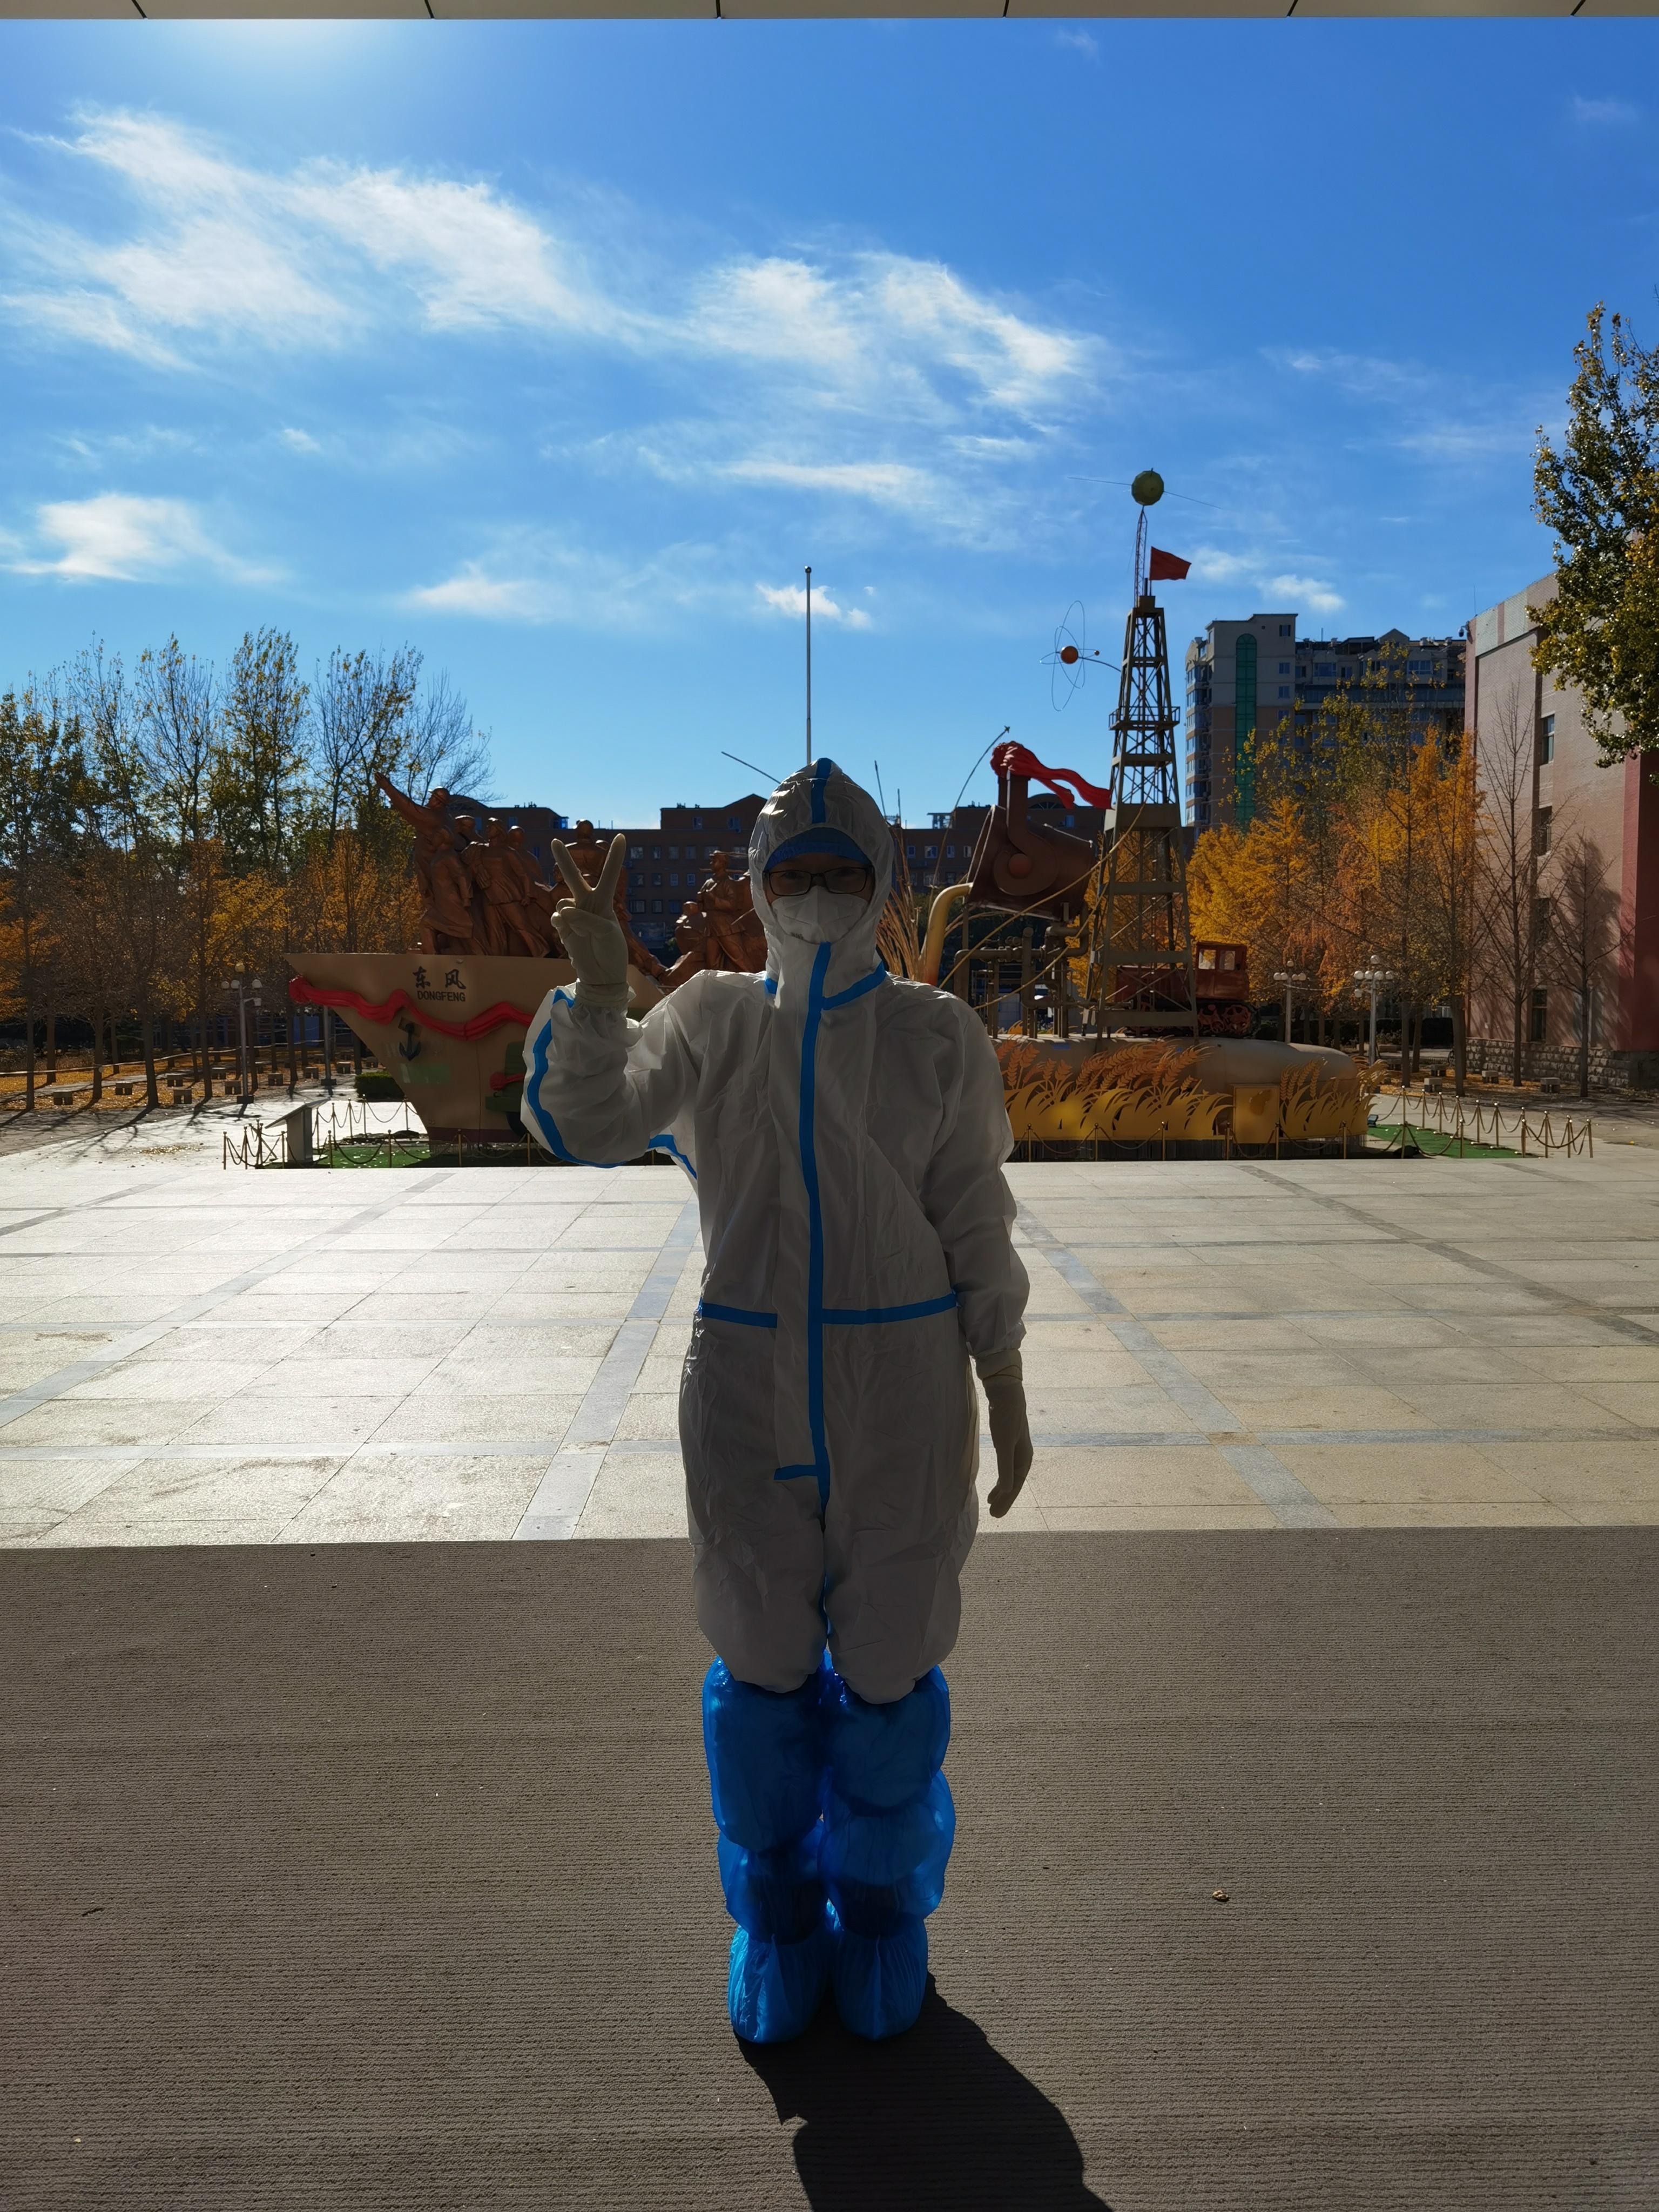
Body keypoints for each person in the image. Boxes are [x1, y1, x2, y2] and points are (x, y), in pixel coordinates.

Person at [522, 760, 1031, 2045]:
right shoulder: (711, 1020)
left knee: (890, 1662)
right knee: (758, 1661)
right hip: (746, 1385)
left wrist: (1005, 1371)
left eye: (838, 870)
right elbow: (593, 1118)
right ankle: (780, 1922)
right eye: (791, 871)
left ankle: (882, 1917)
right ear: (758, 883)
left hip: (902, 1392)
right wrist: (599, 993)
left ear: (878, 878)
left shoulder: (934, 1035)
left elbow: (974, 1210)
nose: (813, 893)